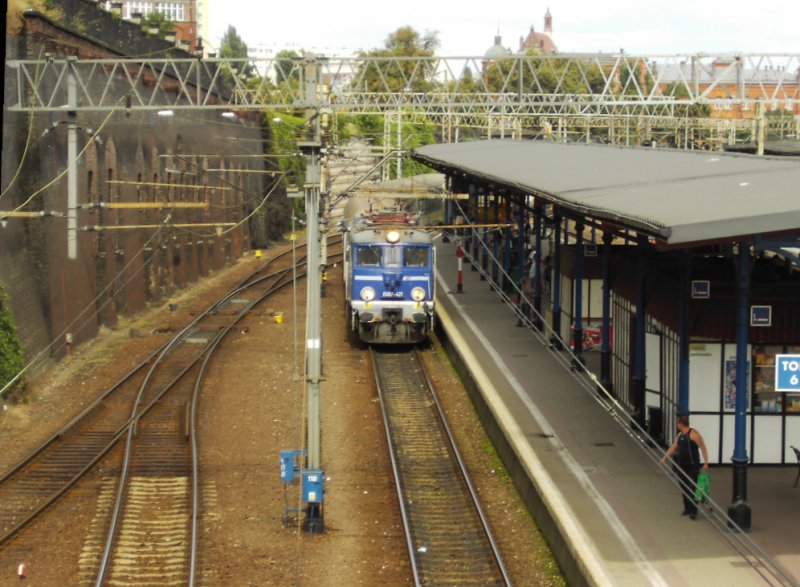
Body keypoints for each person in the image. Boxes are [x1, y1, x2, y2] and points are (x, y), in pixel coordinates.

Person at [659, 415, 709, 520]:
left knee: (692, 487)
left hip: (692, 466)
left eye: (678, 423)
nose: (677, 425)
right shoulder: (680, 435)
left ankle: (693, 511)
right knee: (683, 486)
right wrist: (664, 458)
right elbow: (674, 447)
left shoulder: (694, 434)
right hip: (682, 465)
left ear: (681, 424)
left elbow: (702, 447)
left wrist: (705, 462)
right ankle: (687, 508)